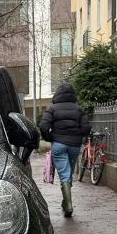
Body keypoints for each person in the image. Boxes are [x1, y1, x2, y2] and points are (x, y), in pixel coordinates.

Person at [38, 82, 91, 218]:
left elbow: (43, 126)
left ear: (58, 94)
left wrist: (50, 138)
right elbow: (86, 128)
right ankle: (65, 202)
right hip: (74, 146)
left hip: (58, 145)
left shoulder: (52, 109)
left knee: (64, 174)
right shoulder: (79, 109)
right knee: (69, 173)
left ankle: (68, 205)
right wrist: (78, 136)